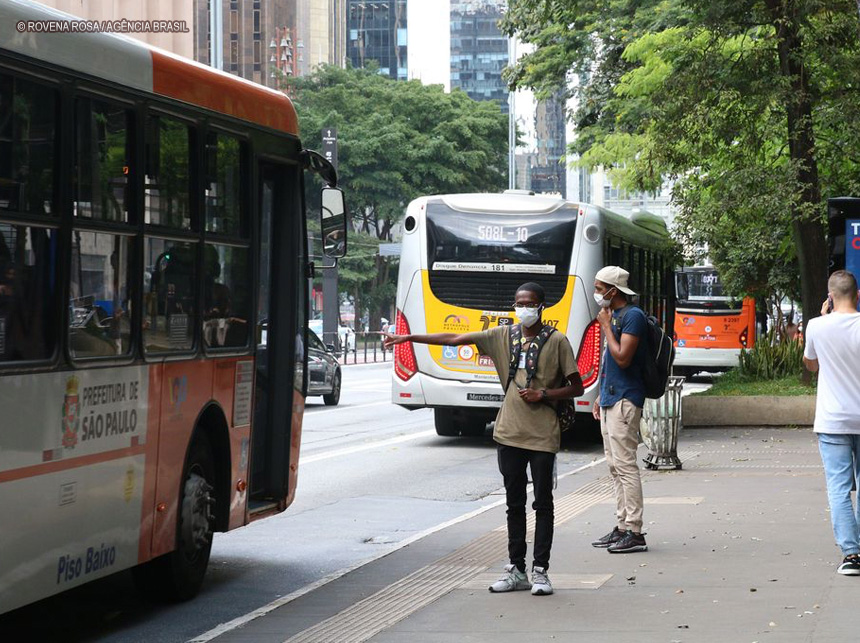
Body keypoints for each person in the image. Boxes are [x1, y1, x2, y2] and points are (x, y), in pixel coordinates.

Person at [385, 282, 583, 596]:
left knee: (543, 504)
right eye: (519, 303)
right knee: (513, 504)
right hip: (508, 433)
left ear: (542, 306)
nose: (523, 308)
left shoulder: (558, 341)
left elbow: (577, 386)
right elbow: (452, 337)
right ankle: (517, 570)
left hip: (543, 435)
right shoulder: (502, 335)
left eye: (529, 303)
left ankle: (541, 571)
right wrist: (408, 338)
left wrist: (543, 393)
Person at [802, 270, 860, 576]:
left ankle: (851, 554)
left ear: (830, 296)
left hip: (832, 420)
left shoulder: (816, 326)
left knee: (838, 487)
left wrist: (822, 319)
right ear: (858, 294)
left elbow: (811, 365)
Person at [590, 266, 649, 554]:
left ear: (614, 291)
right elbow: (608, 362)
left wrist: (604, 326)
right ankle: (622, 526)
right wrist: (599, 396)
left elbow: (623, 358)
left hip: (626, 399)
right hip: (611, 398)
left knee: (625, 466)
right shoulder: (614, 316)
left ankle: (635, 531)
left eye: (600, 288)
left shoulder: (632, 317)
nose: (597, 293)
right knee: (614, 467)